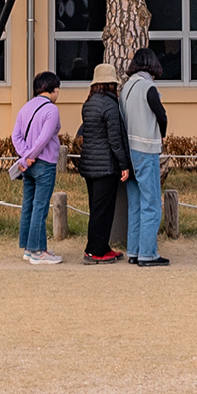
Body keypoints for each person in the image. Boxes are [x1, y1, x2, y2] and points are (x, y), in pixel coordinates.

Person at [77, 63, 131, 264]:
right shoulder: (110, 105)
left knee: (96, 208)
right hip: (106, 167)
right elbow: (115, 140)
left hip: (89, 165)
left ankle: (102, 246)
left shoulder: (88, 104)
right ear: (111, 84)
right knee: (104, 211)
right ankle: (94, 251)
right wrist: (124, 164)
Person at [120, 48, 169, 266]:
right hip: (146, 148)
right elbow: (161, 115)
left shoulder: (126, 87)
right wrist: (162, 133)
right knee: (151, 204)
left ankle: (134, 251)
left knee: (135, 204)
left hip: (128, 150)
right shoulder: (148, 87)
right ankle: (148, 254)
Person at [11, 71, 63, 265]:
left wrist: (25, 156)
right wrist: (31, 156)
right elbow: (44, 138)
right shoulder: (51, 110)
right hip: (45, 163)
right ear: (53, 89)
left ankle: (28, 247)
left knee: (29, 205)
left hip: (28, 166)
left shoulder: (25, 107)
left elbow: (15, 136)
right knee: (40, 207)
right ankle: (37, 251)